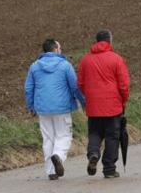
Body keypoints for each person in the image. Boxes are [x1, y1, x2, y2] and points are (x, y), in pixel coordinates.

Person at [24, 39, 86, 180]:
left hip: (42, 108)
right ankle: (58, 155)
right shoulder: (65, 65)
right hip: (62, 108)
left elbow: (28, 89)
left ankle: (51, 172)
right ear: (56, 49)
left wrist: (30, 106)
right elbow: (75, 87)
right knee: (64, 135)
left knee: (48, 138)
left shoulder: (34, 66)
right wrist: (83, 103)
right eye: (60, 47)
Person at [78, 30, 130, 179]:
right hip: (113, 106)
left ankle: (93, 153)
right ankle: (109, 168)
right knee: (112, 136)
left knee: (94, 133)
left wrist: (89, 95)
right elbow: (124, 84)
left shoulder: (85, 60)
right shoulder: (116, 59)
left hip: (93, 105)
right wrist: (124, 99)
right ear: (109, 41)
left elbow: (80, 83)